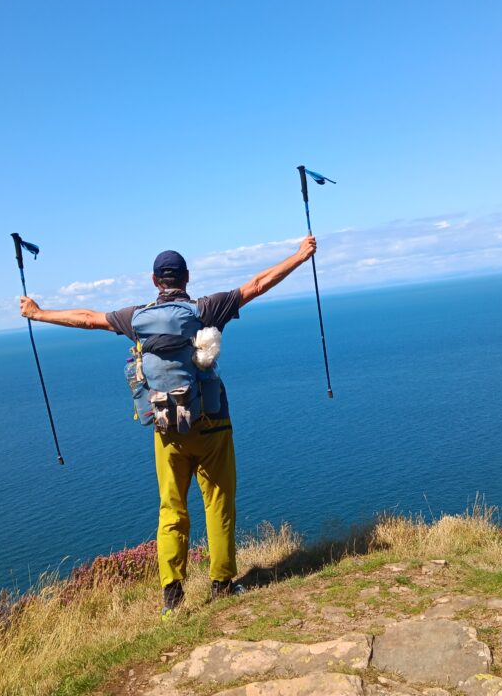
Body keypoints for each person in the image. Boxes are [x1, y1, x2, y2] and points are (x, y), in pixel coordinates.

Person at [19, 235, 317, 616]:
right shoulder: (206, 309)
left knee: (171, 510)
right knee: (219, 504)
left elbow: (88, 318)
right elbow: (257, 285)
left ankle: (172, 597)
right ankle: (222, 585)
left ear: (155, 280)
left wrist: (39, 313)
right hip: (212, 426)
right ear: (186, 278)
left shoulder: (136, 318)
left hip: (167, 430)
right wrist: (300, 255)